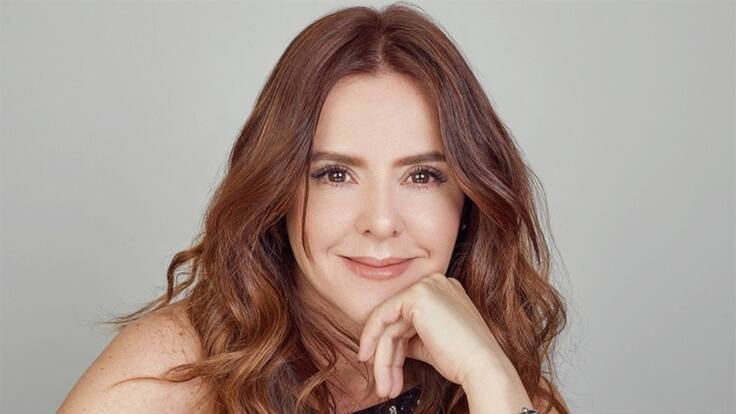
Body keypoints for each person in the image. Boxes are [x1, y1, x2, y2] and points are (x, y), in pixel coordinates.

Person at [58, 3, 570, 413]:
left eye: (422, 176)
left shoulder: (495, 381)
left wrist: (490, 377)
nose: (381, 223)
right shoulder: (172, 370)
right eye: (335, 175)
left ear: (470, 201)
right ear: (278, 191)